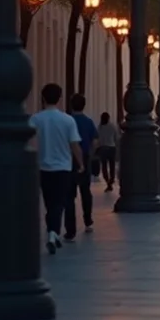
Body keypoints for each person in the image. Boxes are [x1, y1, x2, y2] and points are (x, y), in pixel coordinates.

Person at [31, 83, 83, 255]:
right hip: (63, 169)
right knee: (59, 203)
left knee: (48, 202)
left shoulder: (36, 119)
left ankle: (52, 233)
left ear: (43, 98)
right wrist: (80, 163)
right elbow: (74, 145)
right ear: (60, 99)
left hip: (43, 167)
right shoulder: (68, 120)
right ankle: (53, 233)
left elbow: (29, 141)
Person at [64, 93, 98, 238]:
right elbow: (96, 141)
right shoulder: (88, 122)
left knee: (69, 195)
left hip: (69, 159)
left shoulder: (67, 121)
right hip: (84, 157)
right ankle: (88, 221)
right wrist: (90, 152)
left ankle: (70, 229)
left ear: (71, 105)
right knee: (85, 192)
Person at [97, 110, 119, 191]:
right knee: (112, 166)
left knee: (104, 167)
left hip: (103, 148)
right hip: (112, 148)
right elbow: (116, 138)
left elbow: (98, 138)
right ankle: (111, 180)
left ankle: (108, 182)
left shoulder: (100, 127)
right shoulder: (113, 126)